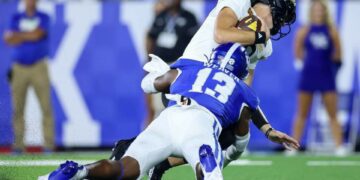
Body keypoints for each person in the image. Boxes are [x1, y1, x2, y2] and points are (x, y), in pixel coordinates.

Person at [42, 43, 299, 180]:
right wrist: (263, 135)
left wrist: (159, 72)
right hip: (200, 123)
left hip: (169, 118)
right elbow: (243, 137)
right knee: (209, 167)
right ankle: (208, 163)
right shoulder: (243, 90)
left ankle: (78, 171)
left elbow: (147, 85)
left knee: (124, 169)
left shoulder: (189, 68)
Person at [111, 0, 296, 179]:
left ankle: (154, 160)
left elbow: (243, 84)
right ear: (271, 4)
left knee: (229, 137)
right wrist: (259, 36)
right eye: (281, 14)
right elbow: (221, 34)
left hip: (216, 91)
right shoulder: (240, 3)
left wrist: (264, 127)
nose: (281, 22)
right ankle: (136, 152)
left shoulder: (265, 47)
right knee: (216, 138)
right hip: (189, 78)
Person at [291, 0, 345, 155]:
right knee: (301, 113)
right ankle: (293, 147)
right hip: (308, 76)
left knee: (333, 114)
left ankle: (340, 146)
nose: (318, 12)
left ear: (325, 12)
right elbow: (298, 52)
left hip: (326, 76)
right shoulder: (304, 30)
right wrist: (310, 64)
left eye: (321, 9)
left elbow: (338, 54)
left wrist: (328, 68)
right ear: (311, 11)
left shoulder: (332, 31)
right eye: (315, 9)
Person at [3, 0, 54, 152]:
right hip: (19, 67)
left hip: (39, 66)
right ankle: (18, 146)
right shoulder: (16, 17)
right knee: (17, 108)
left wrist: (18, 35)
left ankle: (49, 145)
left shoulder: (43, 16)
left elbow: (38, 34)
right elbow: (8, 39)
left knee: (46, 107)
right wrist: (29, 35)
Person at [145, 0, 199, 126]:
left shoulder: (189, 17)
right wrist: (149, 59)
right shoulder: (161, 16)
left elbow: (195, 42)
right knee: (157, 107)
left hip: (178, 68)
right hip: (160, 66)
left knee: (178, 106)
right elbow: (150, 37)